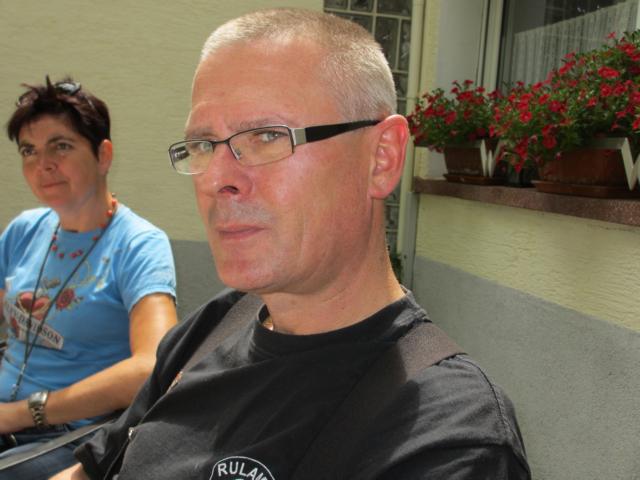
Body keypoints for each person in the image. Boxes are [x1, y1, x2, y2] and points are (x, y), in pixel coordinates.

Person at [54, 8, 530, 480]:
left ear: (382, 158)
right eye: (203, 145)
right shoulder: (214, 326)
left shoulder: (447, 434)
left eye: (266, 136)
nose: (216, 179)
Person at [0, 77, 178, 479]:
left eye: (61, 146)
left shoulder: (138, 244)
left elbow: (152, 365)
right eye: (29, 150)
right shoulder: (25, 230)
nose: (43, 164)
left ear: (103, 155)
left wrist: (23, 412)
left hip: (69, 436)